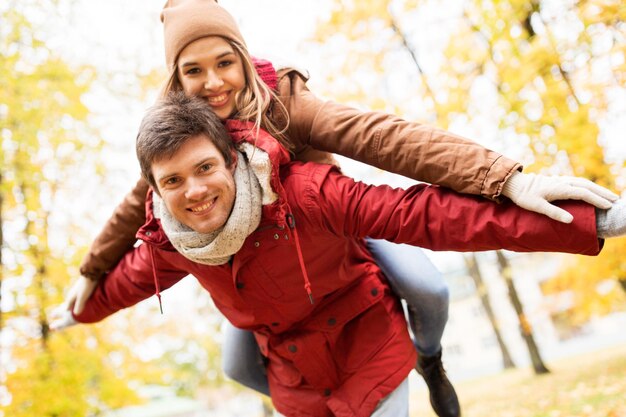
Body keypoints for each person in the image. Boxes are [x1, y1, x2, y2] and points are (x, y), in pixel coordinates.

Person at [60, 1, 620, 417]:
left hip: (332, 221)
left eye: (224, 62)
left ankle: (429, 357)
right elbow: (139, 205)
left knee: (428, 287)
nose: (213, 83)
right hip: (258, 273)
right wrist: (90, 274)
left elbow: (388, 140)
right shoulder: (181, 143)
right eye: (194, 71)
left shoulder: (285, 106)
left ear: (244, 59)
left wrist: (504, 179)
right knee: (236, 364)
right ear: (176, 82)